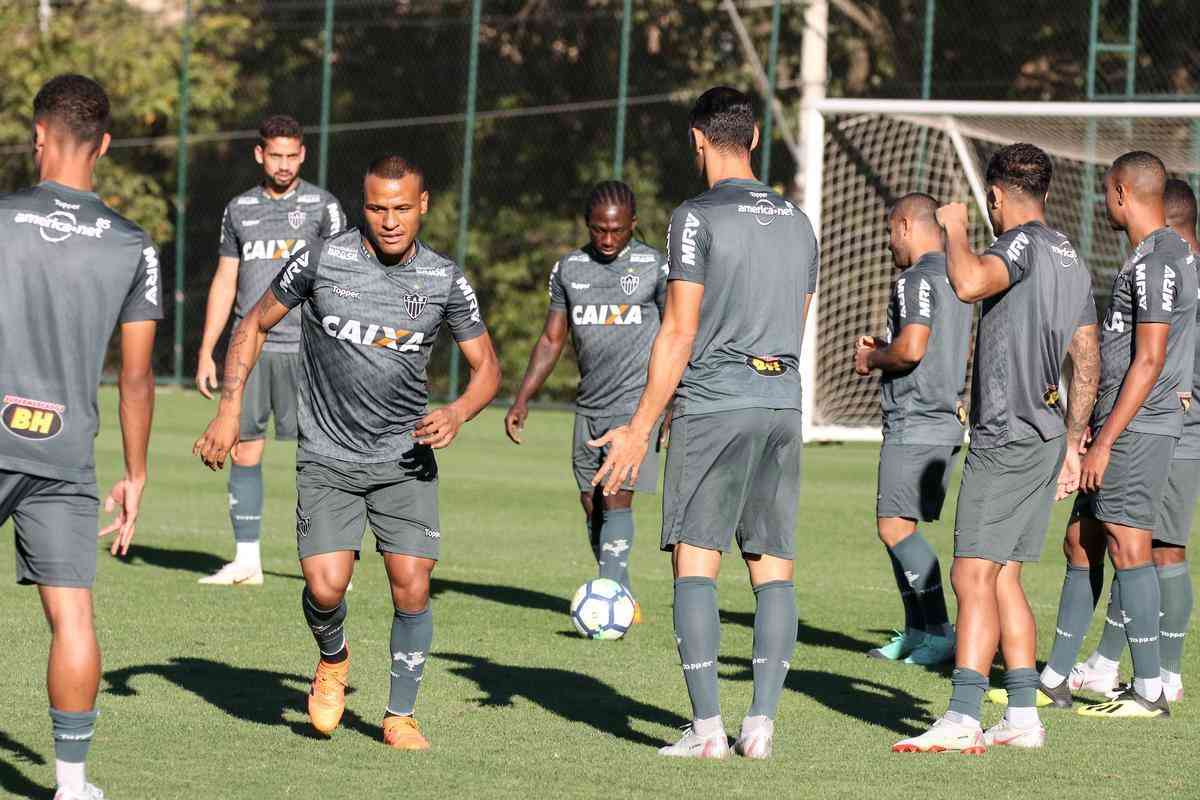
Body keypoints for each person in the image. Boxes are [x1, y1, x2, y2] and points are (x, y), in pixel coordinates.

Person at [193, 155, 500, 750]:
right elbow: (253, 325)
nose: (390, 220)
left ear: (423, 205)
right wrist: (230, 410)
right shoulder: (321, 260)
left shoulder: (444, 280)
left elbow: (487, 367)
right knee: (327, 587)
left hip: (404, 461)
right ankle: (333, 660)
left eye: (402, 208)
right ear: (364, 206)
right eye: (378, 208)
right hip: (329, 455)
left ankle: (400, 715)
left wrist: (458, 411)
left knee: (411, 584)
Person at [591, 87, 819, 760]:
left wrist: (639, 426)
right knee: (772, 566)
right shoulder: (799, 220)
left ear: (697, 140)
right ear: (751, 138)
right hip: (782, 400)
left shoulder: (695, 217)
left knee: (696, 561)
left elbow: (678, 332)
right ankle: (763, 728)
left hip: (716, 400)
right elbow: (797, 322)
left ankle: (708, 730)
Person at [893, 143, 1099, 753]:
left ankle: (961, 716)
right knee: (1005, 576)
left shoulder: (1019, 245)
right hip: (1044, 435)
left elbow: (968, 281)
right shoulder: (1072, 256)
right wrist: (1073, 441)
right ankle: (1023, 716)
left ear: (996, 195)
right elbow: (1085, 358)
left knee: (970, 572)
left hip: (1006, 434)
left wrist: (954, 229)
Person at [0, 74, 161, 799]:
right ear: (104, 145)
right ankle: (70, 785)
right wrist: (134, 474)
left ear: (38, 136)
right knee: (72, 615)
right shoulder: (132, 245)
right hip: (64, 455)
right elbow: (135, 377)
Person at [1043, 153, 1196, 720]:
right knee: (1081, 539)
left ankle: (1150, 688)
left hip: (1136, 427)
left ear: (1120, 191)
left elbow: (1151, 358)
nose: (1103, 202)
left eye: (1105, 192)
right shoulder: (1148, 257)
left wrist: (1104, 440)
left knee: (1131, 546)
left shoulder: (1160, 261)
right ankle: (1056, 677)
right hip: (1119, 423)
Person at [195, 114, 345, 586]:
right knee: (243, 450)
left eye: (291, 155)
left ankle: (332, 557)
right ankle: (247, 561)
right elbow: (225, 279)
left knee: (323, 455)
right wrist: (207, 348)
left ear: (303, 154)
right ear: (260, 154)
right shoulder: (238, 209)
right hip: (253, 348)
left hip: (311, 348)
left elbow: (346, 277)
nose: (283, 164)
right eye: (274, 155)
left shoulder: (324, 208)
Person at [504, 181, 668, 606]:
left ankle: (611, 600)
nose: (608, 239)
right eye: (599, 230)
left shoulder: (655, 267)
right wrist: (522, 398)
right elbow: (551, 340)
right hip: (589, 405)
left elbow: (677, 338)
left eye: (617, 230)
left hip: (635, 406)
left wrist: (673, 403)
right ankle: (619, 590)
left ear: (633, 224)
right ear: (587, 226)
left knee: (616, 497)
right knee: (592, 503)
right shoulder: (569, 269)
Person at [853, 193, 970, 666]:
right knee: (899, 527)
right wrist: (889, 345)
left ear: (905, 225)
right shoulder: (957, 277)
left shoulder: (914, 279)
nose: (887, 243)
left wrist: (872, 357)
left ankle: (939, 630)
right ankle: (919, 632)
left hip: (917, 418)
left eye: (888, 231)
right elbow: (944, 349)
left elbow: (914, 350)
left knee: (895, 529)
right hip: (940, 419)